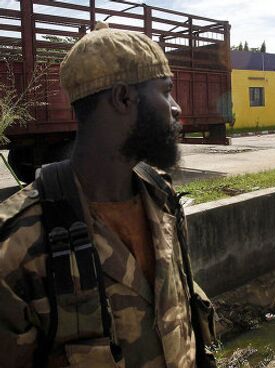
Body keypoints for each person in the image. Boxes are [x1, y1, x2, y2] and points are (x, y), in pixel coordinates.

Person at [0, 22, 219, 368]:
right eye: (165, 91)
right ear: (122, 98)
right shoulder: (17, 245)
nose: (176, 108)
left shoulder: (162, 199)